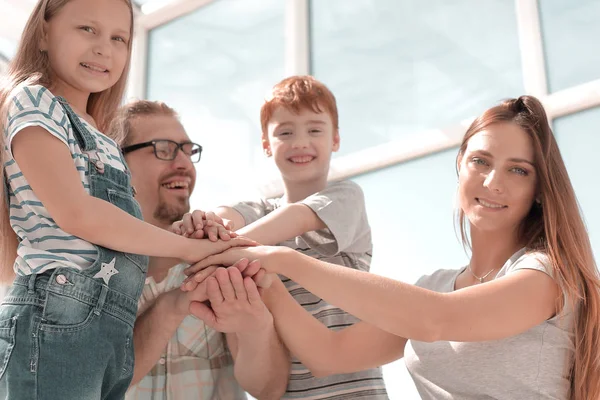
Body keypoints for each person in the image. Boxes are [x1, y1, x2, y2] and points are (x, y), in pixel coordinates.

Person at [188, 95, 600, 400]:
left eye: (518, 170)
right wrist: (267, 280)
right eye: (480, 161)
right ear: (459, 165)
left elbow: (437, 320)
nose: (493, 181)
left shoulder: (544, 276)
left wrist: (283, 258)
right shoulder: (436, 285)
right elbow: (329, 354)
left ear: (540, 188)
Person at [0, 0, 250, 398]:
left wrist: (197, 236)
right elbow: (78, 214)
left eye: (119, 38)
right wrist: (190, 248)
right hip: (53, 318)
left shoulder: (102, 139)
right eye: (88, 29)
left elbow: (124, 232)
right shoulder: (34, 102)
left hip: (106, 327)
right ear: (44, 32)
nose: (105, 48)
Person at [177, 75, 389, 399]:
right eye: (285, 132)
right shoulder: (258, 210)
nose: (300, 141)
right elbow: (227, 214)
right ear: (266, 144)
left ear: (335, 139)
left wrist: (218, 248)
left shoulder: (346, 197)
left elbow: (297, 217)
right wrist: (207, 222)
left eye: (314, 129)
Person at [107, 100, 288, 400]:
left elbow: (267, 389)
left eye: (188, 151)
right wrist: (174, 304)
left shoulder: (219, 258)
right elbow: (98, 385)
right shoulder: (91, 272)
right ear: (116, 162)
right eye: (164, 149)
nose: (184, 164)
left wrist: (256, 327)